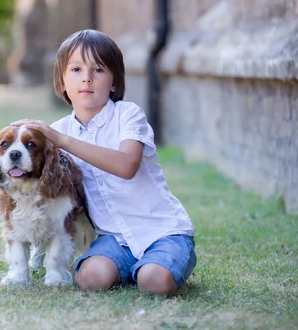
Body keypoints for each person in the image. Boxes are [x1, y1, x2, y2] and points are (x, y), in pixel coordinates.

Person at [12, 29, 196, 296]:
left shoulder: (128, 115)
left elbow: (126, 166)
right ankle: (137, 268)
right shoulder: (59, 131)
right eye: (76, 69)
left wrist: (61, 141)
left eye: (98, 69)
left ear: (113, 82)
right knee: (90, 278)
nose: (86, 78)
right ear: (62, 82)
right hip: (114, 240)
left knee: (153, 282)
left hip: (161, 231)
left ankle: (163, 268)